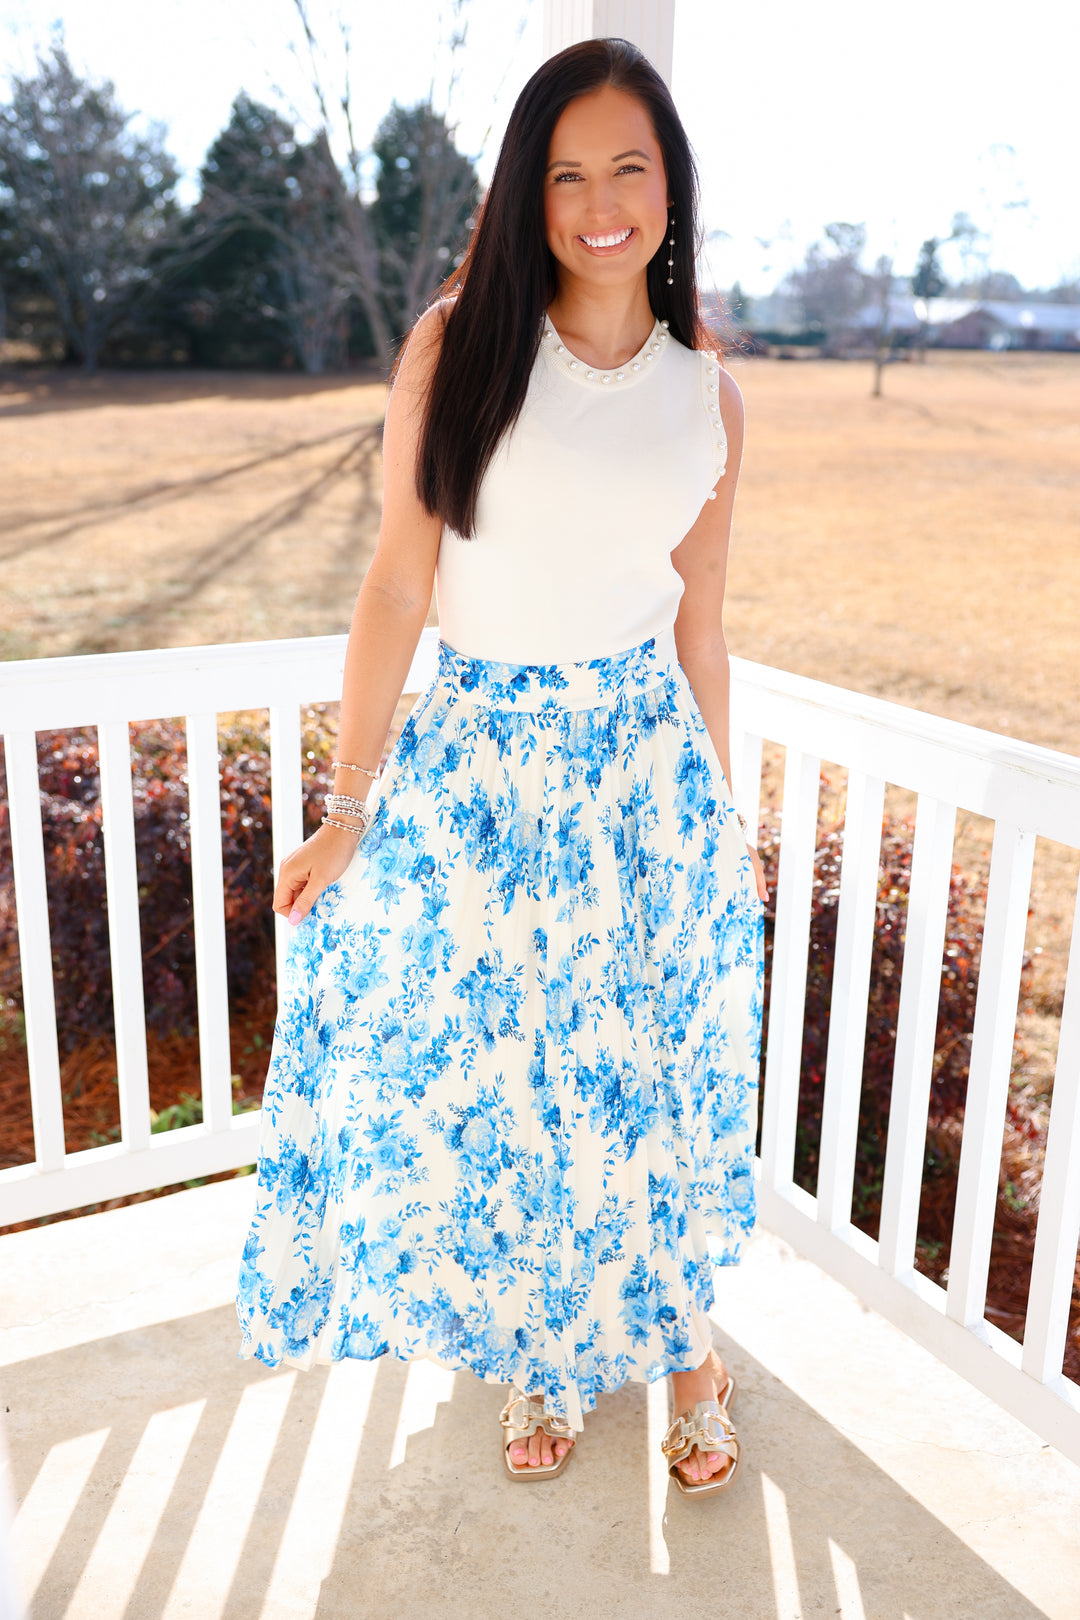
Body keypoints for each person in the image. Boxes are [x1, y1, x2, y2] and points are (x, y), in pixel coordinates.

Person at [236, 35, 767, 1497]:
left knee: (642, 1079)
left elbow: (704, 632)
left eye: (630, 169)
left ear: (673, 188)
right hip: (475, 770)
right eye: (568, 173)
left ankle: (689, 1355)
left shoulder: (709, 401)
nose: (602, 203)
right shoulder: (459, 342)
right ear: (529, 195)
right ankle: (546, 1343)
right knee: (509, 1078)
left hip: (639, 775)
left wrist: (722, 814)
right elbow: (398, 588)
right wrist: (349, 807)